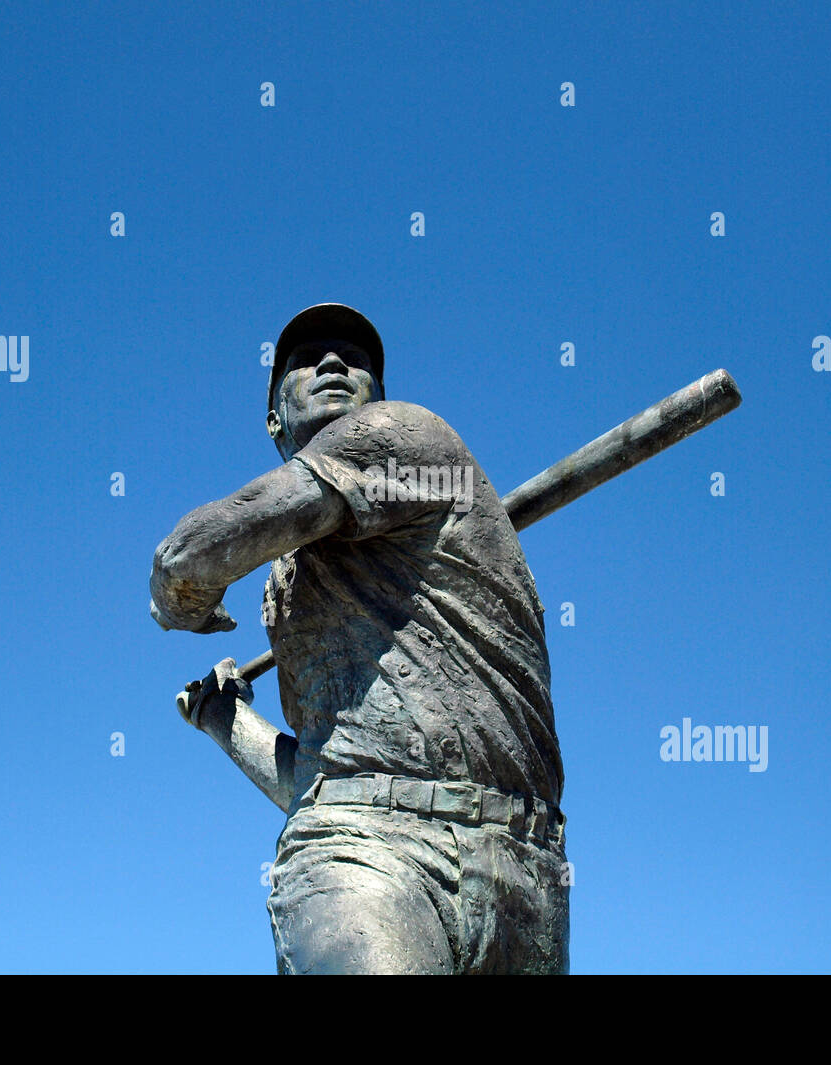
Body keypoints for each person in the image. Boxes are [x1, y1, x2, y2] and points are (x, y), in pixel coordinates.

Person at [150, 304, 569, 974]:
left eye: (355, 357)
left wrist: (179, 596)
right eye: (307, 358)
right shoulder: (288, 590)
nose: (335, 364)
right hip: (366, 856)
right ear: (273, 419)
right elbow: (329, 786)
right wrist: (225, 722)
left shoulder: (403, 435)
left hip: (530, 870)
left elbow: (188, 556)